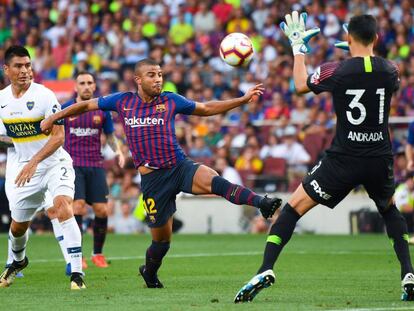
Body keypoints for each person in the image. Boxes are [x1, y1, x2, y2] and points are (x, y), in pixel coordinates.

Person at [40, 58, 282, 289]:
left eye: (160, 75)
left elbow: (206, 108)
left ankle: (261, 202)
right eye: (152, 75)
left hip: (178, 166)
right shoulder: (122, 101)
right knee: (161, 241)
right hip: (153, 181)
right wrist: (55, 116)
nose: (158, 80)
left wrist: (242, 99)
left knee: (214, 180)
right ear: (138, 79)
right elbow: (85, 105)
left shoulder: (170, 100)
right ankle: (149, 271)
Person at [234, 12, 414, 303]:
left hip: (343, 158)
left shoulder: (336, 71)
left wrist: (298, 50)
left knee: (292, 209)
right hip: (379, 158)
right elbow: (373, 70)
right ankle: (408, 272)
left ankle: (265, 268)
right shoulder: (391, 70)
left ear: (348, 38)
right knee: (389, 210)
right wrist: (360, 53)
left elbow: (301, 85)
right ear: (377, 38)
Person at [0, 46, 85, 289]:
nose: (25, 70)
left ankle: (77, 274)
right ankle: (18, 261)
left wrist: (35, 160)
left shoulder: (45, 96)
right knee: (17, 227)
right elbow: (4, 137)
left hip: (54, 163)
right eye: (19, 66)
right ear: (7, 70)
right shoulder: (2, 101)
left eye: (28, 65)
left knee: (62, 207)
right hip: (24, 169)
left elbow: (59, 137)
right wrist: (18, 146)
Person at [62, 71, 124, 269]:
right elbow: (54, 134)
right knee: (78, 207)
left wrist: (119, 152)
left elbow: (110, 136)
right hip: (73, 165)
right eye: (82, 83)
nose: (86, 86)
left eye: (90, 83)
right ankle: (77, 256)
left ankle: (98, 254)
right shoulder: (66, 109)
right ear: (76, 87)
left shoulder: (102, 110)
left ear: (95, 86)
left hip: (95, 164)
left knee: (102, 210)